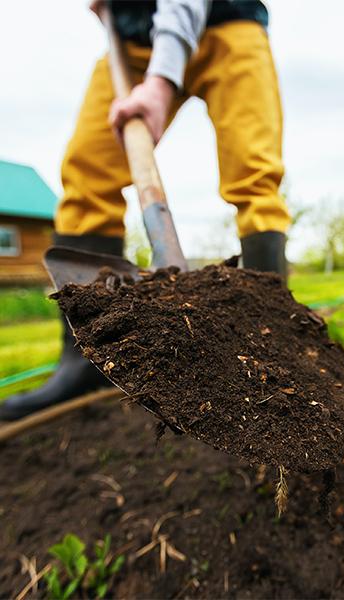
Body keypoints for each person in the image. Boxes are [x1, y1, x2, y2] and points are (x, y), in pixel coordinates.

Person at [0, 0, 290, 421]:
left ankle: (276, 350)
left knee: (254, 176)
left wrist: (161, 81)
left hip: (228, 24)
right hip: (134, 42)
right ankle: (89, 361)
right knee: (87, 176)